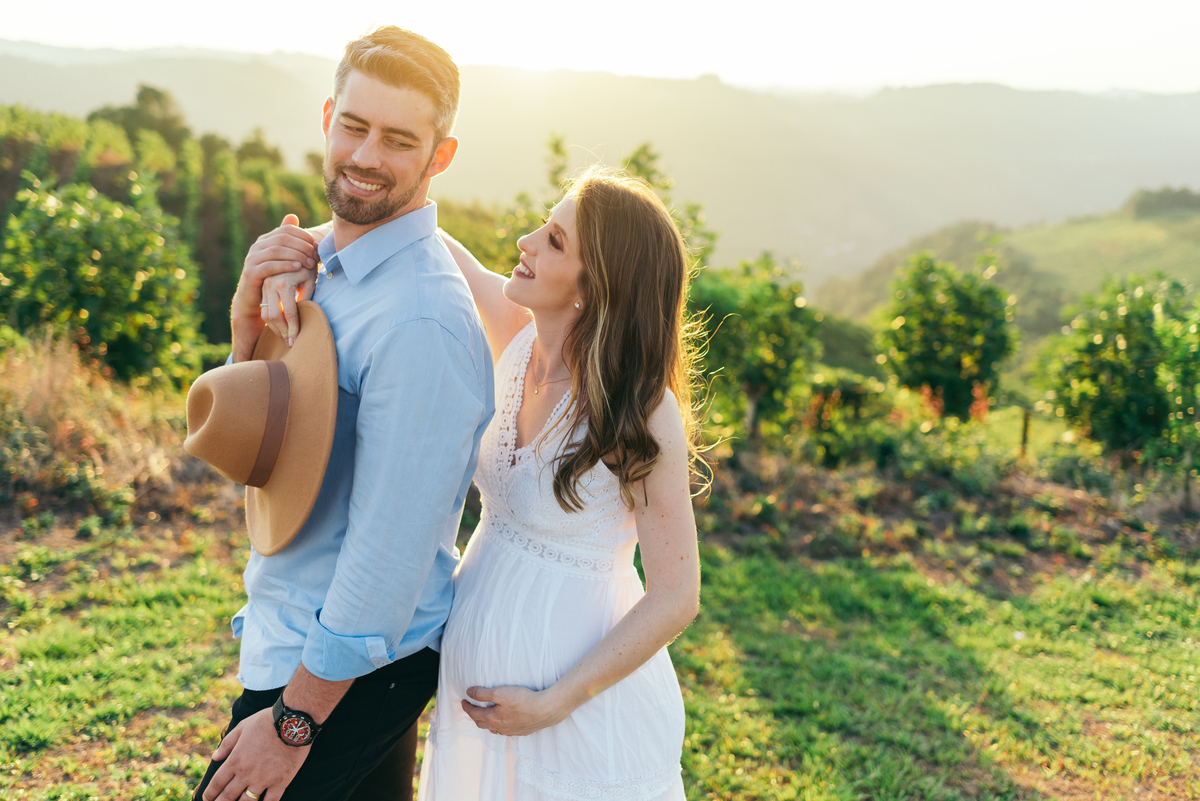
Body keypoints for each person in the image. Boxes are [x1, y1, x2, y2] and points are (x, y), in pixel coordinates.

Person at [193, 26, 494, 801]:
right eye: (354, 127)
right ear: (328, 116)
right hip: (301, 636)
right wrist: (244, 335)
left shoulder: (420, 321)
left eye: (398, 139)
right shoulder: (316, 260)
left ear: (440, 156)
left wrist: (294, 724)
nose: (365, 155)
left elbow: (389, 556)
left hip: (342, 673)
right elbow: (271, 452)